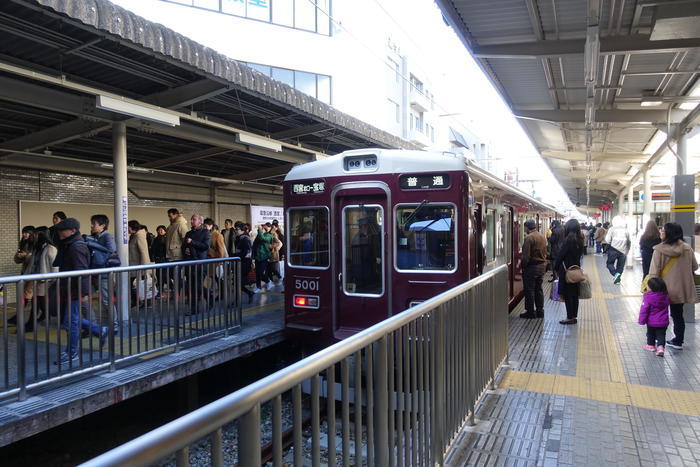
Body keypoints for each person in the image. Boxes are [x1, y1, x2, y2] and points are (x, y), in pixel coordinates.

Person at [52, 218, 107, 365]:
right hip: (70, 289)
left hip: (75, 290)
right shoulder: (69, 245)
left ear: (72, 231)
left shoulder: (76, 247)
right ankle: (99, 330)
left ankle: (72, 353)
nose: (59, 233)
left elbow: (81, 271)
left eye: (62, 230)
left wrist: (84, 293)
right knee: (70, 320)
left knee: (71, 322)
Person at [649, 222, 698, 350]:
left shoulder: (659, 250)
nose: (661, 232)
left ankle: (657, 341)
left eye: (663, 231)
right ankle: (678, 341)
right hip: (681, 288)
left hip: (663, 290)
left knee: (659, 313)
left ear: (668, 233)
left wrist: (649, 290)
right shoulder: (687, 248)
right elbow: (695, 267)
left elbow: (654, 272)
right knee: (677, 315)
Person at [21, 227, 58, 332]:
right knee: (38, 302)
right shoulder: (37, 247)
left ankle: (31, 324)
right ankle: (43, 318)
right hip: (36, 278)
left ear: (42, 235)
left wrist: (51, 279)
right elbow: (33, 264)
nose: (33, 236)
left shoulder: (51, 248)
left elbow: (55, 266)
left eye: (35, 234)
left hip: (44, 280)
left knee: (36, 302)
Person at [86, 215, 117, 330]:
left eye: (94, 224)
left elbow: (111, 251)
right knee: (85, 298)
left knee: (106, 301)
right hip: (93, 273)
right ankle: (93, 324)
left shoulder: (107, 237)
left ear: (102, 226)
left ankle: (114, 325)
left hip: (104, 273)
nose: (91, 226)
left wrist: (93, 244)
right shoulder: (93, 237)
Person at [554, 219, 584, 325]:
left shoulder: (568, 240)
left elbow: (560, 256)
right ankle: (573, 316)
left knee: (567, 295)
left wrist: (556, 268)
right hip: (576, 270)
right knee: (575, 295)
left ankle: (569, 317)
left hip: (567, 271)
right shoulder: (580, 240)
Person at [520, 219, 547, 319]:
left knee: (529, 290)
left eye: (525, 227)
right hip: (541, 267)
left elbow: (526, 256)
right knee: (538, 289)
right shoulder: (542, 236)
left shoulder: (529, 238)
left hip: (532, 268)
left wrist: (522, 266)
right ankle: (540, 311)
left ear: (527, 227)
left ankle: (530, 312)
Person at [184, 214, 211, 312]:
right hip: (189, 262)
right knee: (191, 286)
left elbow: (206, 246)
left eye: (194, 219)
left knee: (198, 285)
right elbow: (185, 245)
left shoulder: (205, 232)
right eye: (191, 219)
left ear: (200, 222)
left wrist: (192, 242)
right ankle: (194, 309)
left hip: (199, 262)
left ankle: (209, 296)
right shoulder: (189, 233)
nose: (191, 221)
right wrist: (186, 249)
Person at [638, 277, 670, 357]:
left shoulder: (648, 297)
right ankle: (660, 347)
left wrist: (641, 320)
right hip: (663, 321)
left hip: (651, 321)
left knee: (650, 333)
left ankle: (650, 345)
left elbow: (644, 309)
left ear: (652, 288)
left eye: (648, 286)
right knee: (661, 335)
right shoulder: (666, 296)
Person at [605, 216, 630, 284]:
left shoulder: (612, 229)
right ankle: (617, 280)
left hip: (613, 249)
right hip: (623, 251)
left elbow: (607, 240)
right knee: (620, 266)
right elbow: (629, 241)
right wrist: (627, 250)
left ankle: (615, 275)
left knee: (609, 263)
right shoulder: (626, 230)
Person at [234, 224, 254, 303]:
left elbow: (245, 252)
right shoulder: (239, 238)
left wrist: (235, 256)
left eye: (237, 229)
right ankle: (249, 293)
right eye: (235, 229)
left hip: (244, 264)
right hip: (240, 263)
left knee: (238, 283)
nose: (236, 231)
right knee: (238, 283)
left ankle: (237, 300)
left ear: (242, 230)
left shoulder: (245, 239)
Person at [252, 223, 273, 293]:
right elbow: (256, 242)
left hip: (264, 256)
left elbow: (262, 239)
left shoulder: (270, 236)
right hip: (258, 256)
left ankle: (268, 281)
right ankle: (258, 287)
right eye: (265, 227)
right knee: (257, 273)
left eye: (268, 227)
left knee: (260, 272)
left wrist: (260, 229)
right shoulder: (261, 234)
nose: (266, 228)